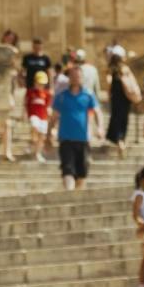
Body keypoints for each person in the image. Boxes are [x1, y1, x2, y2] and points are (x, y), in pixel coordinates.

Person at [53, 63, 102, 191]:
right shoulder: (61, 96)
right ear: (69, 77)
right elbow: (54, 116)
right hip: (66, 139)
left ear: (82, 78)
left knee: (82, 172)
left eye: (78, 76)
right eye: (73, 76)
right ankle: (69, 194)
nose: (75, 78)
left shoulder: (88, 95)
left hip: (83, 139)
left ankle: (76, 194)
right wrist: (49, 133)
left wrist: (100, 127)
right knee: (67, 169)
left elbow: (97, 112)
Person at [105, 45, 137, 154]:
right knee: (123, 119)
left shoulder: (111, 70)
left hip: (116, 98)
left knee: (116, 118)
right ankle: (121, 140)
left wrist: (109, 95)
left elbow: (109, 83)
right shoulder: (124, 69)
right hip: (125, 98)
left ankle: (118, 140)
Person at [25, 69, 53, 162]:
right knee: (34, 126)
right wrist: (24, 114)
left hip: (43, 116)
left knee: (42, 135)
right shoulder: (30, 92)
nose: (41, 85)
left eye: (42, 84)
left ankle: (37, 153)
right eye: (39, 83)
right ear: (35, 82)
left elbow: (48, 105)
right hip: (34, 115)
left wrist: (49, 111)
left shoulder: (46, 94)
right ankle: (32, 141)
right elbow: (26, 103)